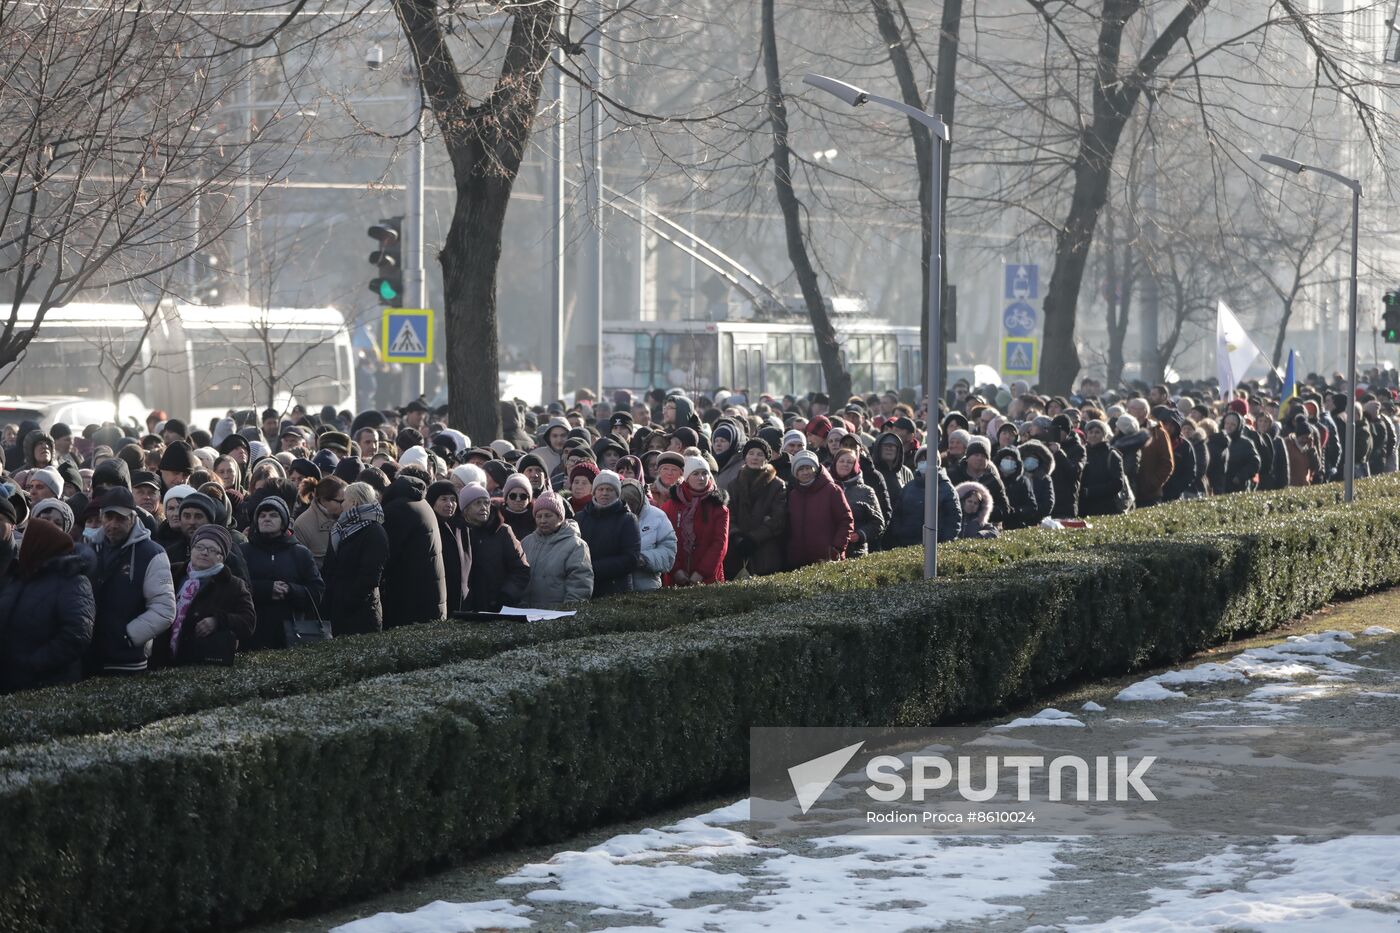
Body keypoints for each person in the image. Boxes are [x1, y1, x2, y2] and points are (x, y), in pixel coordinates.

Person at [86, 487, 175, 675]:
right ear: (101, 517)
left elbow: (164, 609)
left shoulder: (152, 554)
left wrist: (127, 636)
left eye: (121, 518)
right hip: (89, 658)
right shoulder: (90, 549)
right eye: (109, 517)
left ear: (133, 518)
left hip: (128, 661)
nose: (113, 524)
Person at [0, 517, 94, 692]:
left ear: (38, 544)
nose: (21, 544)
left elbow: (77, 635)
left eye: (26, 539)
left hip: (46, 685)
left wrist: (32, 663)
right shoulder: (20, 575)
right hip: (12, 679)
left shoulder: (73, 581)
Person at [156, 524, 256, 665]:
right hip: (161, 658)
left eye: (212, 550)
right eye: (199, 547)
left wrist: (217, 621)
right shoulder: (173, 573)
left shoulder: (234, 585)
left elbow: (248, 622)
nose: (204, 552)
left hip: (200, 661)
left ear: (221, 557)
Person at [240, 496, 325, 650]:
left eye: (273, 515)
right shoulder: (243, 552)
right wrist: (266, 589)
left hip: (292, 635)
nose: (267, 519)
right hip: (252, 634)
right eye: (262, 515)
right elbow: (233, 587)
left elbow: (317, 591)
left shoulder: (301, 553)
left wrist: (291, 590)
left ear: (284, 522)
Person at [321, 482, 389, 636]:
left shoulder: (374, 531)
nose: (342, 504)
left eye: (344, 500)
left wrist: (347, 602)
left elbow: (370, 576)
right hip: (338, 608)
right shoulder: (341, 527)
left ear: (354, 502)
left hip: (361, 613)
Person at [380, 474, 447, 627]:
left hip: (410, 597)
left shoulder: (398, 509)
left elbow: (388, 554)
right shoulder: (423, 504)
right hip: (430, 594)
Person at [457, 483, 530, 612]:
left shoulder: (502, 532)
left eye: (486, 502)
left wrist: (506, 596)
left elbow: (521, 569)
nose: (484, 507)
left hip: (497, 608)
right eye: (477, 503)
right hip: (464, 608)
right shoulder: (457, 533)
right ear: (466, 509)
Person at [723, 438, 787, 579]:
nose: (755, 457)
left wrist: (753, 538)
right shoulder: (733, 485)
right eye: (751, 453)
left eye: (760, 454)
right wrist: (737, 536)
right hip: (737, 551)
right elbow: (728, 515)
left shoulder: (777, 485)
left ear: (766, 458)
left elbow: (778, 519)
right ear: (745, 457)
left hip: (766, 552)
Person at [519, 491, 594, 609]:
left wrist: (567, 613)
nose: (543, 520)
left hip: (556, 615)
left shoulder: (576, 546)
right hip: (524, 613)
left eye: (548, 515)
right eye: (539, 516)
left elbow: (579, 585)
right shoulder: (526, 542)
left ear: (560, 517)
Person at [660, 458, 728, 585]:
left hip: (708, 578)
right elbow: (663, 540)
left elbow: (720, 543)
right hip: (675, 578)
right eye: (695, 474)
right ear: (687, 477)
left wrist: (701, 573)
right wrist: (676, 570)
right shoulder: (669, 506)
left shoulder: (718, 507)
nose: (701, 478)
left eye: (705, 473)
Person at [575, 470, 642, 596]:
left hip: (616, 589)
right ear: (594, 492)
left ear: (617, 493)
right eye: (600, 489)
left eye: (609, 489)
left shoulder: (627, 519)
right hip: (584, 586)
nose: (604, 493)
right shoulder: (580, 518)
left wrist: (593, 568)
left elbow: (631, 558)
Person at [783, 449, 852, 569]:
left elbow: (846, 520)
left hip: (828, 560)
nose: (805, 472)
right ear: (795, 473)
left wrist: (836, 548)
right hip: (798, 562)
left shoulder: (832, 490)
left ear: (815, 469)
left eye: (808, 468)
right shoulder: (793, 495)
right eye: (801, 469)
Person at [889, 447, 961, 546]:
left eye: (929, 459)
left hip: (937, 546)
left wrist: (944, 543)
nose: (925, 463)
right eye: (921, 460)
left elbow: (953, 520)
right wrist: (899, 534)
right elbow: (897, 514)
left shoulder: (947, 489)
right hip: (907, 545)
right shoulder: (908, 488)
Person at [620, 478, 676, 592]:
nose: (629, 506)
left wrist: (644, 559)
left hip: (649, 589)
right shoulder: (612, 517)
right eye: (625, 501)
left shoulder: (657, 517)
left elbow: (669, 551)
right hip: (617, 590)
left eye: (633, 501)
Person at [831, 447, 883, 558]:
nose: (845, 464)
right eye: (841, 461)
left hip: (856, 552)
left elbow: (878, 523)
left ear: (855, 465)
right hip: (829, 552)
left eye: (849, 462)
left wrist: (861, 534)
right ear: (835, 463)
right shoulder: (826, 489)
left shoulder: (866, 491)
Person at [1078, 419, 1131, 516]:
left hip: (1107, 508)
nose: (1093, 435)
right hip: (1084, 508)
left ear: (1104, 435)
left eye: (1097, 432)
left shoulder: (1112, 454)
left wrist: (1091, 491)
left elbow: (1117, 483)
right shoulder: (1081, 453)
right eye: (1091, 432)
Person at [293, 476, 346, 567]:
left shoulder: (349, 516)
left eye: (347, 500)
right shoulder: (302, 526)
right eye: (341, 501)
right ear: (324, 500)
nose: (345, 504)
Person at [1220, 410, 1261, 494]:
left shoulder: (1246, 443)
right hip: (1219, 486)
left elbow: (1255, 463)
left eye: (1233, 424)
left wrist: (1240, 477)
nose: (1229, 426)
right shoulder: (1217, 440)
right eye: (1227, 423)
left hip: (1238, 488)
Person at [499, 473, 537, 541]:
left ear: (529, 499)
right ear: (506, 499)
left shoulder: (537, 517)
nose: (518, 499)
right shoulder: (497, 517)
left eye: (523, 496)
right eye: (513, 496)